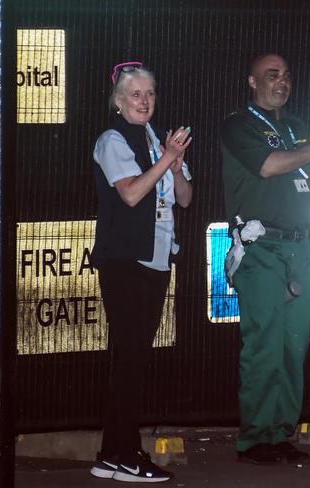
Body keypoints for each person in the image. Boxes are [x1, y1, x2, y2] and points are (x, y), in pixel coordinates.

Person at [220, 53, 310, 464]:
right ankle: (254, 438)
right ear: (252, 81)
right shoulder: (239, 124)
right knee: (265, 344)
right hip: (262, 247)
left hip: (300, 247)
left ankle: (279, 433)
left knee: (294, 346)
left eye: (287, 75)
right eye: (272, 75)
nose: (282, 82)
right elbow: (269, 165)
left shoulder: (293, 125)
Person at [89, 61, 193, 482]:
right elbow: (130, 194)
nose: (144, 101)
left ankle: (112, 455)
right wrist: (166, 158)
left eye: (149, 93)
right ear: (118, 101)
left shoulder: (156, 138)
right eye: (135, 94)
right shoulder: (113, 139)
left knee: (133, 360)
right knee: (130, 359)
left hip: (156, 257)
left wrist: (175, 160)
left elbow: (185, 198)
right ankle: (127, 455)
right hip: (124, 260)